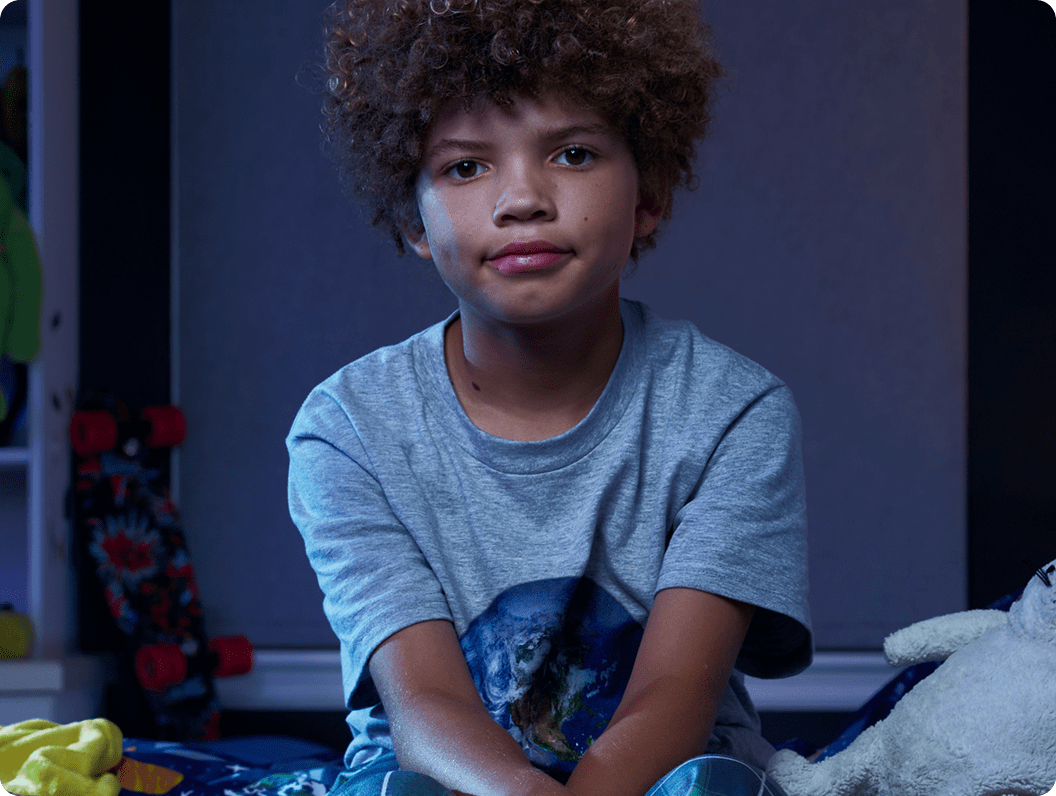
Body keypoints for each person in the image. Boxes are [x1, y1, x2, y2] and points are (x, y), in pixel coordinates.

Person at [286, 1, 812, 794]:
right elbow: (423, 701)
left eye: (572, 153)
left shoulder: (733, 414)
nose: (522, 198)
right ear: (412, 220)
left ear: (649, 195)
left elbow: (675, 696)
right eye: (466, 167)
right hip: (440, 778)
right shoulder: (348, 430)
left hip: (665, 776)